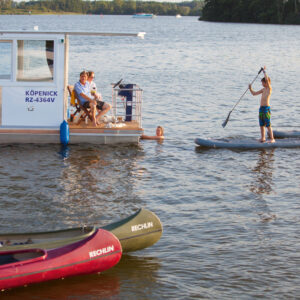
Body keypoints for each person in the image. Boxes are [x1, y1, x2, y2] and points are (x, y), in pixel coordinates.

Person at [249, 66, 275, 143]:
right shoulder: (263, 89)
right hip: (261, 109)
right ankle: (263, 138)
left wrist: (264, 72)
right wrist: (250, 88)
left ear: (266, 83)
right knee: (261, 124)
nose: (262, 84)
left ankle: (272, 139)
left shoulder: (269, 89)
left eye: (263, 82)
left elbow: (266, 79)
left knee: (268, 124)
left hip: (266, 109)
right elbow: (254, 94)